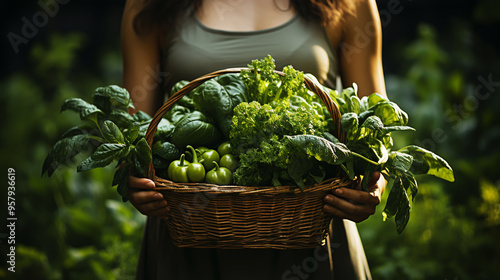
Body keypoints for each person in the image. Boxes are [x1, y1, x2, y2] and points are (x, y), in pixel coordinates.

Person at [121, 0, 387, 279]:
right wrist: (135, 178)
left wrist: (374, 183)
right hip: (187, 236)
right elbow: (134, 131)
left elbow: (377, 125)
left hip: (313, 237)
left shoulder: (350, 3)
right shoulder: (147, 5)